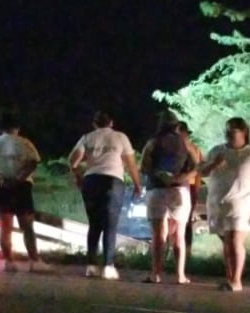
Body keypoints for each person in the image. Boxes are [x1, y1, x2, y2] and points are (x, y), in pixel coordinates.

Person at [68, 110, 143, 280]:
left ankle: (91, 266)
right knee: (110, 223)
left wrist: (78, 177)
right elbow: (131, 163)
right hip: (113, 181)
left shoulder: (87, 137)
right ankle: (109, 266)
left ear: (94, 124)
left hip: (91, 180)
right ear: (111, 123)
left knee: (94, 223)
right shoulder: (120, 137)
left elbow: (72, 161)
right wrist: (137, 185)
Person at [196, 116, 250, 292]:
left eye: (233, 129)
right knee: (227, 244)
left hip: (242, 204)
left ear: (243, 132)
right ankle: (230, 279)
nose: (229, 133)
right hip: (218, 204)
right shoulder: (216, 151)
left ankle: (236, 281)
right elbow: (200, 172)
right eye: (227, 129)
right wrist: (214, 163)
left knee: (235, 241)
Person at [0, 115, 52, 272]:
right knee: (27, 225)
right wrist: (19, 177)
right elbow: (33, 162)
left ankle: (9, 262)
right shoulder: (24, 143)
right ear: (17, 128)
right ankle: (34, 261)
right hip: (21, 186)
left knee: (5, 226)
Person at [138, 110, 197, 284]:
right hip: (180, 191)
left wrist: (159, 174)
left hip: (156, 190)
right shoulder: (186, 143)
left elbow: (144, 167)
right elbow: (196, 166)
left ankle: (156, 274)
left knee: (158, 235)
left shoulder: (152, 143)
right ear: (177, 125)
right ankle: (180, 275)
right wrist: (180, 178)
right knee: (178, 235)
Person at [170, 121, 205, 264]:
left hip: (187, 186)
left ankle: (186, 253)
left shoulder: (193, 149)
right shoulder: (173, 147)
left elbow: (199, 171)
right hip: (176, 185)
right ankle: (174, 253)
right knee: (172, 221)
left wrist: (195, 189)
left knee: (185, 221)